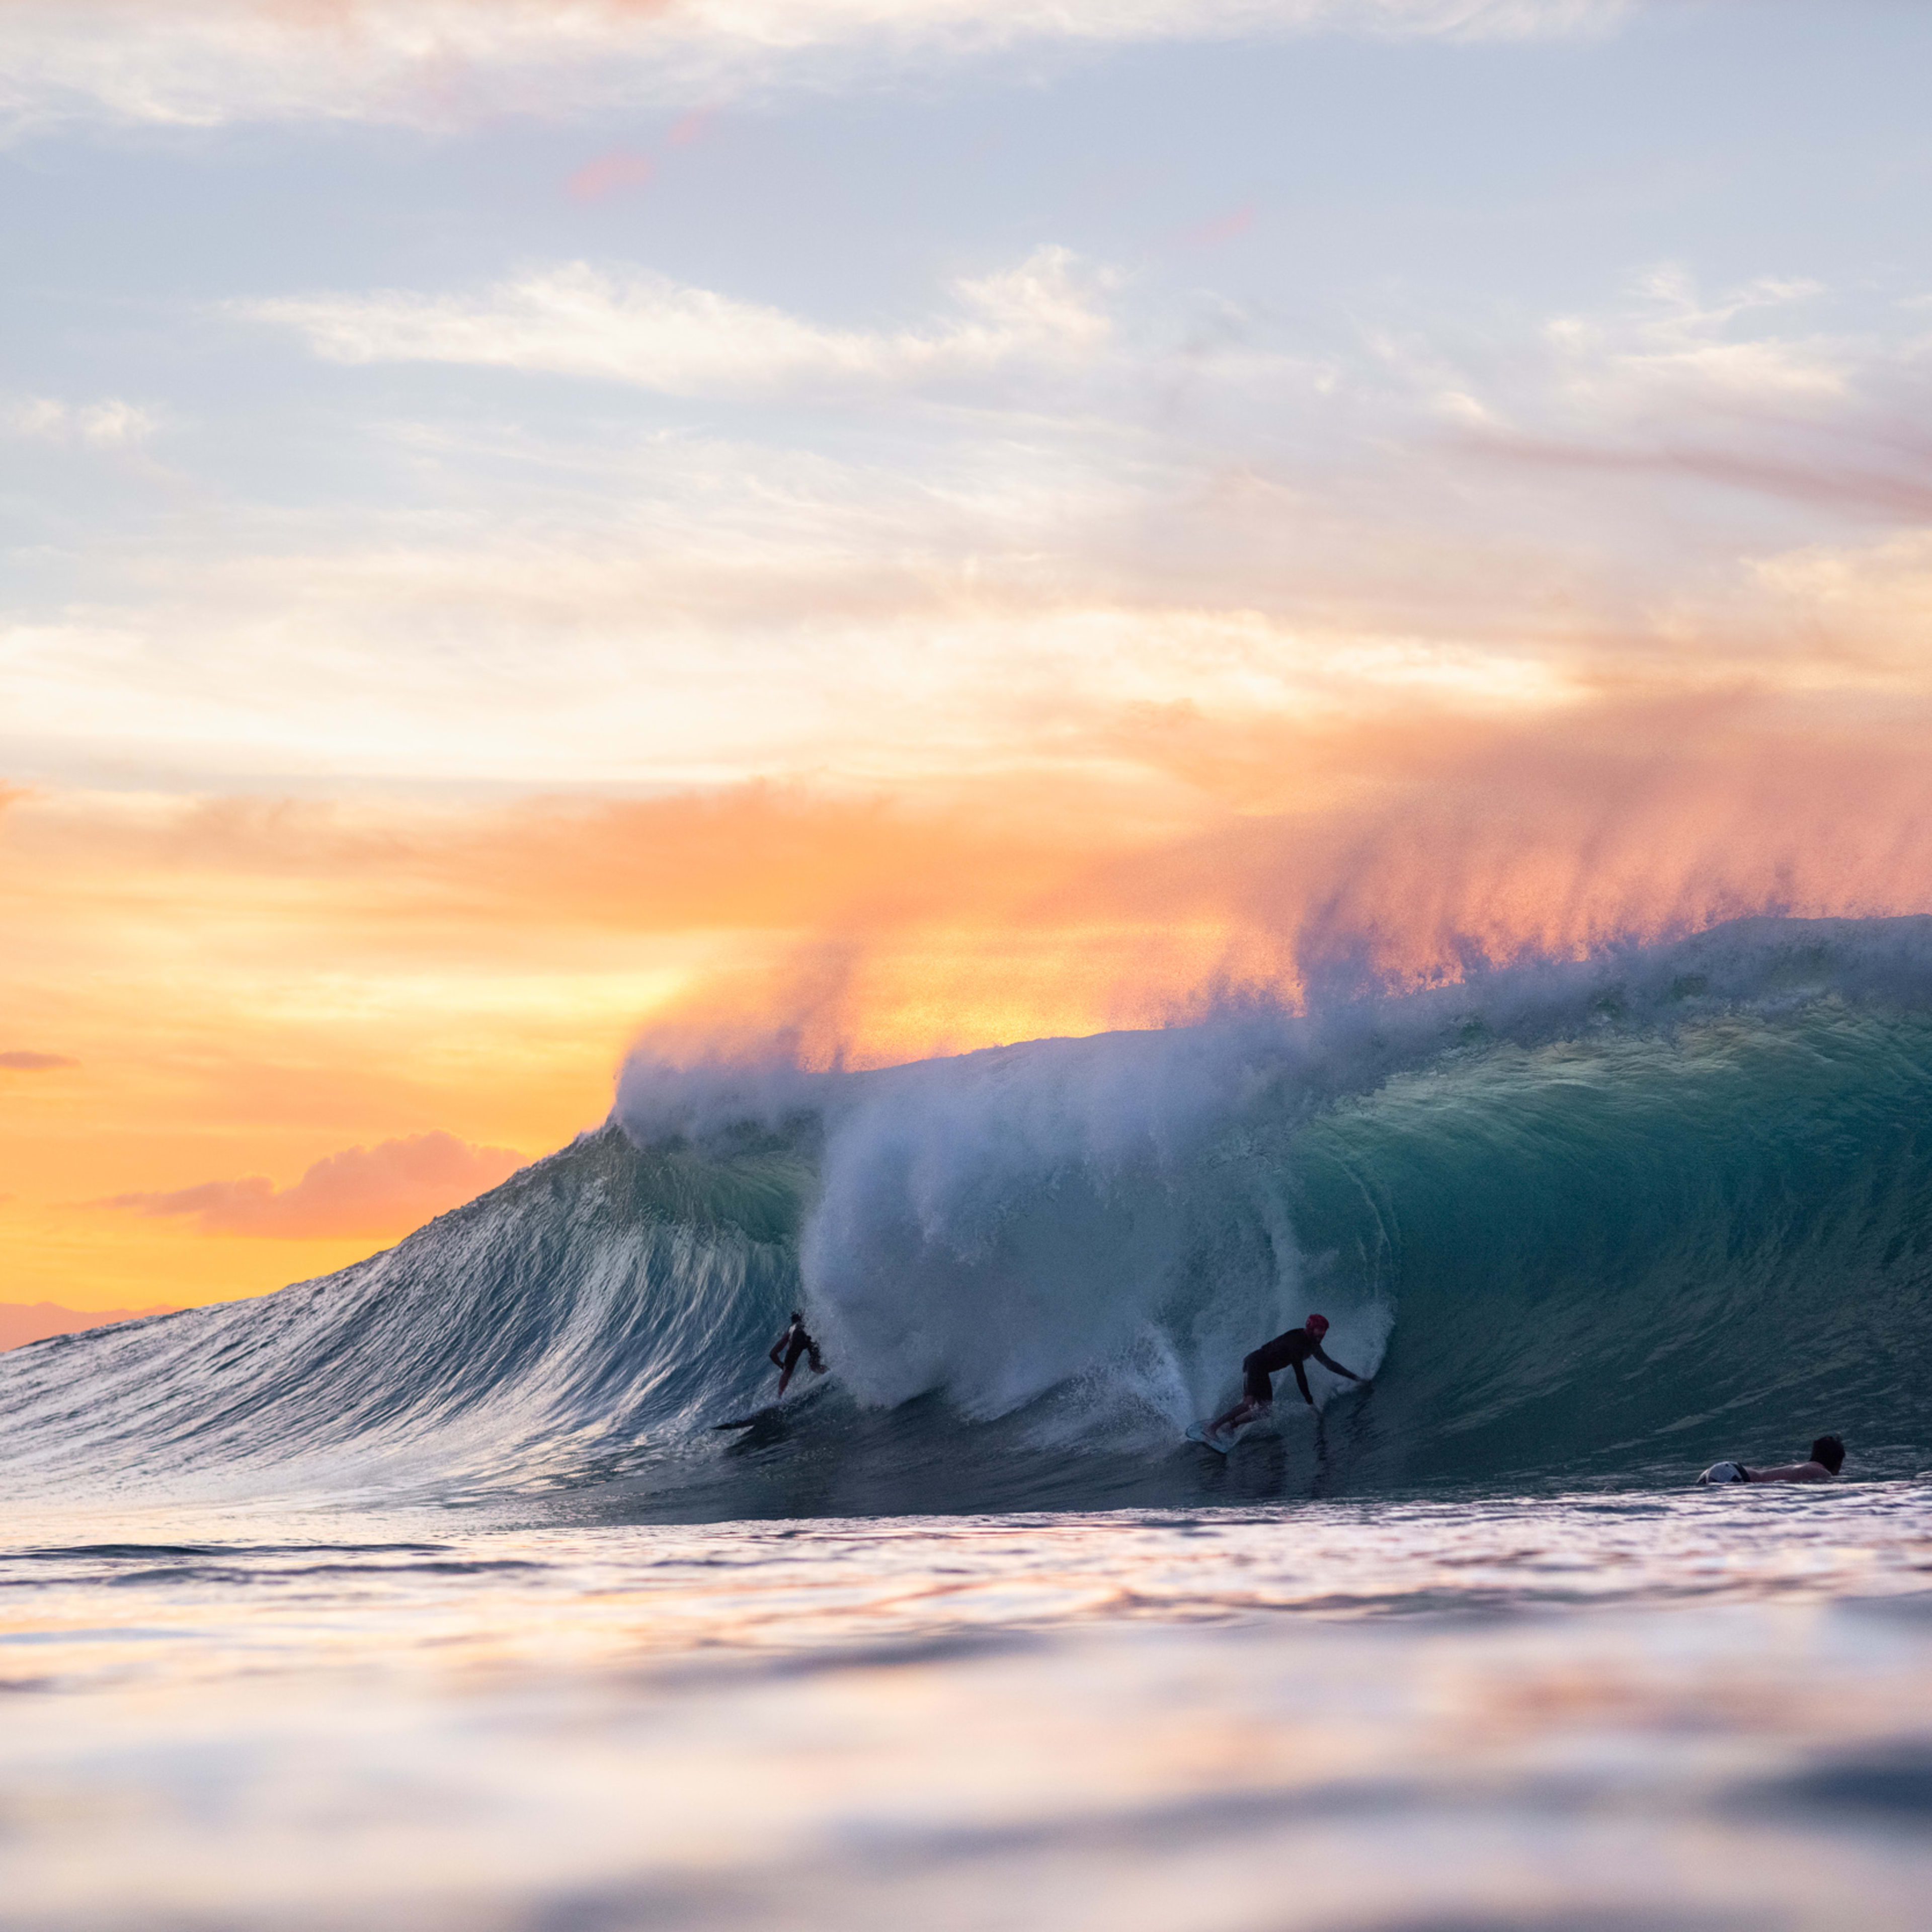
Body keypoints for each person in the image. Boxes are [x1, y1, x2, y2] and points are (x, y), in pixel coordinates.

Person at [1207, 1313, 1365, 1439]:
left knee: (1265, 1410)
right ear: (1311, 1328)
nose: (1323, 1333)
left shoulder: (1313, 1346)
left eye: (1324, 1329)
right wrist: (1310, 1402)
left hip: (1262, 1369)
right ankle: (1213, 1428)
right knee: (1249, 1403)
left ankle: (1230, 1426)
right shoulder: (1297, 1342)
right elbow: (1300, 1374)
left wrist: (1356, 1378)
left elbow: (1330, 1365)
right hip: (1255, 1362)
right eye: (1320, 1329)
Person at [1700, 1434, 1844, 1485]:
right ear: (1837, 1463)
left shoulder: (1805, 1467)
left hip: (1729, 1470)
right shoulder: (1822, 1473)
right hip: (1736, 1477)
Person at [768, 1311, 827, 1396]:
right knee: (815, 1366)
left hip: (797, 1339)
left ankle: (780, 1396)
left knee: (787, 1371)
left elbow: (772, 1354)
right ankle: (830, 1372)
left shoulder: (791, 1329)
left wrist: (783, 1367)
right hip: (811, 1337)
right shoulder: (809, 1325)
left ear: (792, 1321)